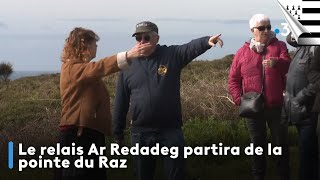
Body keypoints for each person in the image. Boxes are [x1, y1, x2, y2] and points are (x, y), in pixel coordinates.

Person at [112, 21, 223, 180]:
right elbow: (121, 101)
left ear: (156, 38)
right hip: (140, 133)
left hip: (170, 131)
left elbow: (190, 48)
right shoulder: (128, 65)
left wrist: (206, 41)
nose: (141, 42)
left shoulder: (171, 55)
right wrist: (118, 133)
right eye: (138, 38)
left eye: (146, 37)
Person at [55, 27, 152, 180]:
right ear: (84, 45)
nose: (97, 47)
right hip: (79, 135)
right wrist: (128, 55)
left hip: (88, 134)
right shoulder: (71, 68)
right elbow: (99, 67)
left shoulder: (82, 70)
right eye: (94, 43)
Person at [228, 14, 291, 180]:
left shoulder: (280, 46)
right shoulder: (242, 52)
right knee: (257, 147)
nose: (266, 31)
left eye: (269, 27)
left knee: (281, 146)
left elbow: (288, 68)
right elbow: (233, 79)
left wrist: (276, 62)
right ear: (252, 30)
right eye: (262, 28)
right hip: (252, 109)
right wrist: (238, 100)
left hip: (276, 106)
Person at [282, 32, 319, 180]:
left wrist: (301, 97)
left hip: (309, 110)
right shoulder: (305, 44)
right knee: (305, 152)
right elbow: (290, 38)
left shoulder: (315, 48)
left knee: (309, 153)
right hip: (300, 110)